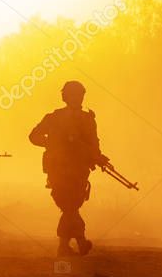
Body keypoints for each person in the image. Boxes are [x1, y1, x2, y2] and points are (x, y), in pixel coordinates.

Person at [29, 80, 108, 257]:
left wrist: (98, 157)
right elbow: (34, 136)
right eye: (74, 94)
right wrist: (53, 143)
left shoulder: (87, 119)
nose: (78, 98)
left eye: (80, 95)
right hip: (58, 169)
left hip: (79, 169)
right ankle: (79, 241)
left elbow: (93, 143)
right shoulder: (54, 117)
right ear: (66, 97)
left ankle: (64, 247)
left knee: (71, 206)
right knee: (69, 206)